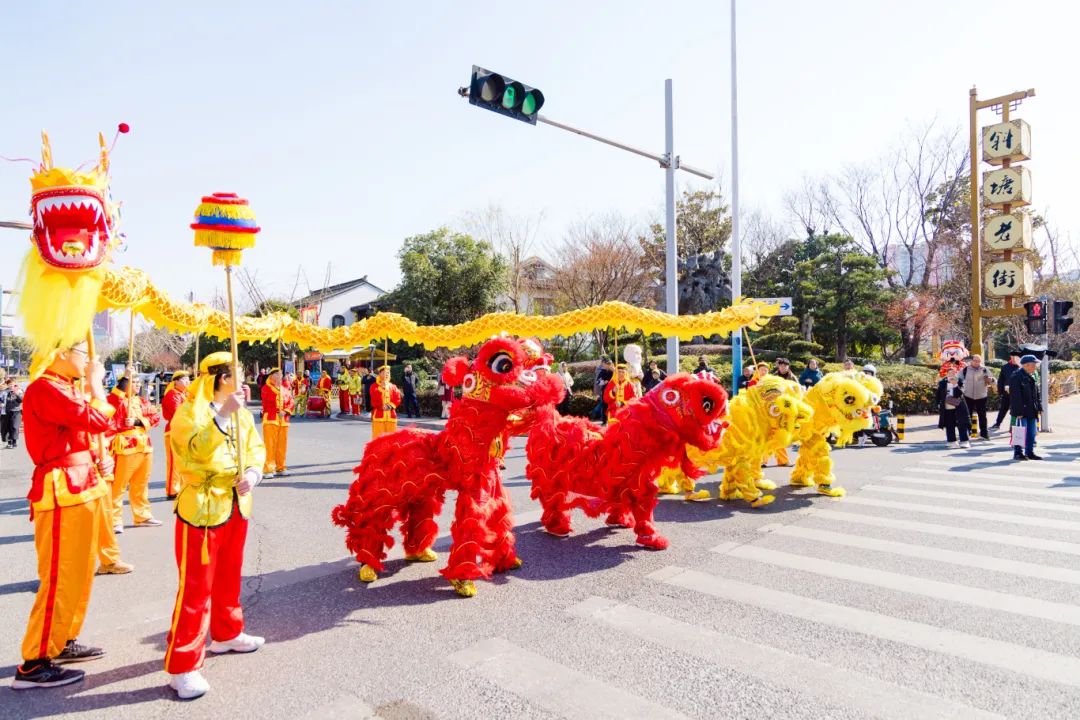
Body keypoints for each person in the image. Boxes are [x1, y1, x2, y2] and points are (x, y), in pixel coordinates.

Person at [13, 342, 122, 690]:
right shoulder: (45, 387)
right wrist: (96, 383)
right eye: (82, 352)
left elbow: (86, 434)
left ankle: (61, 641)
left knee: (80, 574)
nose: (89, 359)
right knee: (61, 577)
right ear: (60, 352)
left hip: (82, 483)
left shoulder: (63, 387)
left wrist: (99, 458)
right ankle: (34, 661)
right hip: (63, 489)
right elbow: (99, 418)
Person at [164, 352, 266, 700]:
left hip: (236, 503)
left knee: (229, 575)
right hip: (202, 507)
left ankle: (228, 633)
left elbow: (255, 448)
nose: (244, 379)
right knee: (195, 588)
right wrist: (222, 416)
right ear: (222, 378)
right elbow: (194, 453)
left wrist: (253, 474)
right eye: (239, 373)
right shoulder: (189, 412)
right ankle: (182, 666)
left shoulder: (243, 412)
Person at [108, 374, 163, 530]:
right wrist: (126, 375)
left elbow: (155, 417)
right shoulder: (116, 400)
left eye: (138, 382)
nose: (138, 385)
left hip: (144, 445)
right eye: (134, 382)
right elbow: (113, 401)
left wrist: (137, 421)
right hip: (126, 446)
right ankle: (114, 520)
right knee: (119, 485)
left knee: (141, 484)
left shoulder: (142, 401)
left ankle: (142, 516)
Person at [161, 371, 190, 499]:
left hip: (185, 430)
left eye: (188, 379)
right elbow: (178, 413)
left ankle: (183, 486)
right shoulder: (173, 395)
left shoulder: (184, 394)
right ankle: (172, 490)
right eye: (184, 379)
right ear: (176, 382)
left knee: (184, 461)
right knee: (174, 462)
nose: (187, 382)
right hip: (174, 431)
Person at [1009, 354, 1042, 461]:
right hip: (1021, 410)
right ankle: (1018, 453)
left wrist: (1039, 407)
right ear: (1026, 365)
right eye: (1034, 364)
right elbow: (1015, 396)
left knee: (1031, 433)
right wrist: (1018, 412)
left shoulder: (1030, 376)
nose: (1035, 367)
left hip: (1031, 409)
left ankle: (1029, 452)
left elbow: (1036, 394)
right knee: (1020, 432)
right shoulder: (1016, 376)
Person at [260, 368, 292, 478]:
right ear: (271, 376)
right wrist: (278, 392)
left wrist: (286, 410)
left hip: (283, 420)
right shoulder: (266, 388)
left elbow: (291, 402)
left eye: (281, 374)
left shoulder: (285, 389)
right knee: (270, 445)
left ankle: (280, 467)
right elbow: (268, 401)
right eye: (277, 374)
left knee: (282, 446)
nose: (280, 376)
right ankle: (268, 469)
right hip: (271, 419)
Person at [959, 354, 993, 440]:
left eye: (979, 361)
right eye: (975, 361)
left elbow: (994, 380)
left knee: (982, 416)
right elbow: (959, 379)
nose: (977, 363)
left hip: (981, 396)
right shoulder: (965, 369)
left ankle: (984, 434)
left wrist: (991, 380)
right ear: (971, 361)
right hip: (968, 395)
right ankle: (967, 433)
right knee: (967, 415)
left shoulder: (984, 369)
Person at [936, 366, 970, 449]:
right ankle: (951, 441)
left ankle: (964, 441)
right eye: (949, 373)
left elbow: (960, 393)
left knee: (962, 424)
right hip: (947, 407)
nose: (951, 375)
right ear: (947, 374)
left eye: (953, 373)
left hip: (959, 407)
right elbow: (938, 395)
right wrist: (938, 403)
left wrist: (955, 385)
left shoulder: (960, 381)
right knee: (949, 425)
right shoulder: (942, 383)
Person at [991, 350, 1022, 431]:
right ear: (1010, 357)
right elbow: (1001, 380)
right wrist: (1000, 391)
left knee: (1014, 410)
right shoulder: (1005, 367)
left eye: (1016, 357)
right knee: (1003, 409)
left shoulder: (1021, 367)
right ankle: (997, 423)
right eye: (1013, 357)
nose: (1014, 358)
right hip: (1006, 393)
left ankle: (1012, 427)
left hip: (1018, 394)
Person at [370, 365, 401, 439]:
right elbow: (374, 399)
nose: (386, 374)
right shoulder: (374, 386)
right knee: (378, 438)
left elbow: (397, 398)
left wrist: (390, 406)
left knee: (391, 438)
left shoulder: (393, 386)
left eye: (388, 373)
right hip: (379, 416)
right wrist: (381, 388)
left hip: (391, 416)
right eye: (384, 372)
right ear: (379, 374)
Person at [590, 357, 614, 423]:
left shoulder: (614, 371)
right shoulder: (602, 371)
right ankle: (604, 420)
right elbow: (598, 381)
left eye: (610, 363)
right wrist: (604, 382)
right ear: (604, 364)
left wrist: (614, 371)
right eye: (607, 364)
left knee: (612, 405)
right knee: (604, 405)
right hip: (605, 390)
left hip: (614, 390)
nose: (608, 365)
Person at [1, 378, 23, 447]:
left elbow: (21, 400)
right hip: (6, 412)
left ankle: (14, 442)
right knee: (7, 427)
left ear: (15, 384)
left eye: (12, 384)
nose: (11, 385)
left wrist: (16, 393)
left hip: (16, 412)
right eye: (9, 384)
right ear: (7, 385)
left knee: (14, 427)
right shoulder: (4, 391)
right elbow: (0, 399)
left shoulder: (19, 391)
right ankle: (9, 442)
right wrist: (1, 403)